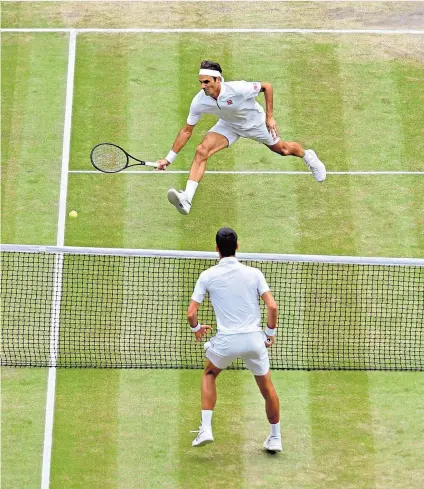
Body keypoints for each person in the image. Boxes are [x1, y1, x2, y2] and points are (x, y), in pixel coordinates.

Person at [157, 60, 326, 215]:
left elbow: (267, 86)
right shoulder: (199, 101)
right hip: (229, 125)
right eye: (201, 82)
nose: (203, 86)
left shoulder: (238, 88)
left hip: (255, 123)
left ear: (218, 80)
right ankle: (187, 198)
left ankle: (308, 156)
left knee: (283, 149)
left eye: (207, 82)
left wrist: (269, 117)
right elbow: (186, 131)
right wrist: (168, 158)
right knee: (202, 150)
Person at [186, 227, 282, 452]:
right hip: (254, 341)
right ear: (237, 247)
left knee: (210, 374)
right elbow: (272, 306)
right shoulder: (255, 274)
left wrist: (197, 328)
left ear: (217, 249)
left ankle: (206, 428)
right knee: (267, 388)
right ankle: (275, 438)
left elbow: (191, 313)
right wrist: (269, 335)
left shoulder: (207, 276)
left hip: (227, 342)